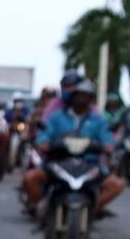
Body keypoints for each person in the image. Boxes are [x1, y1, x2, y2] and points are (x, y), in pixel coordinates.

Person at [24, 74, 123, 214]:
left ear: (91, 99)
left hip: (89, 164)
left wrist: (108, 145)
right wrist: (43, 142)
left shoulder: (97, 120)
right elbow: (45, 132)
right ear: (72, 96)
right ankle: (43, 209)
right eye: (78, 95)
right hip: (59, 162)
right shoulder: (57, 116)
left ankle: (92, 210)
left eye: (85, 95)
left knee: (116, 184)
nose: (81, 99)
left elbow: (106, 136)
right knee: (30, 178)